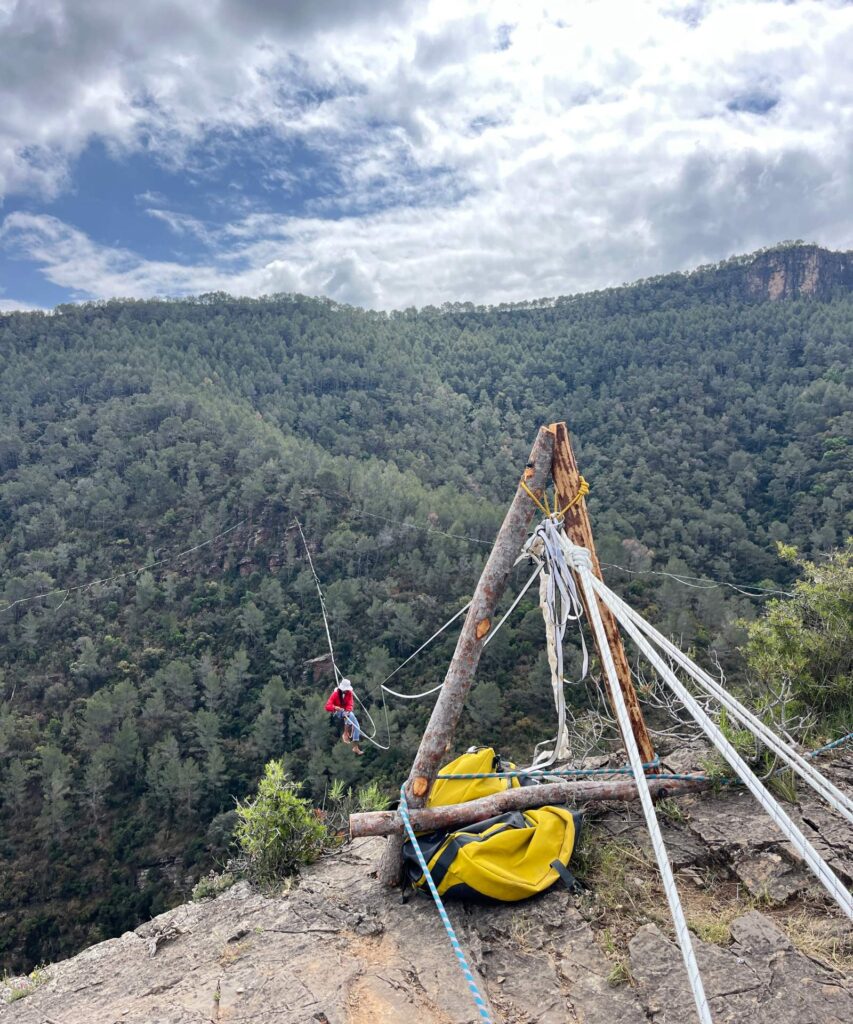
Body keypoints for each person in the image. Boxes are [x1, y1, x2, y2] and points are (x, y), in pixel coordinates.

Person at [325, 678, 364, 755]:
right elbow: (327, 706)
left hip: (346, 712)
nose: (346, 691)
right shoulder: (335, 694)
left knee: (357, 726)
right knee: (350, 715)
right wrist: (335, 707)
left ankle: (355, 747)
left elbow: (350, 704)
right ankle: (345, 733)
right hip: (338, 712)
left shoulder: (349, 693)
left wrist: (348, 710)